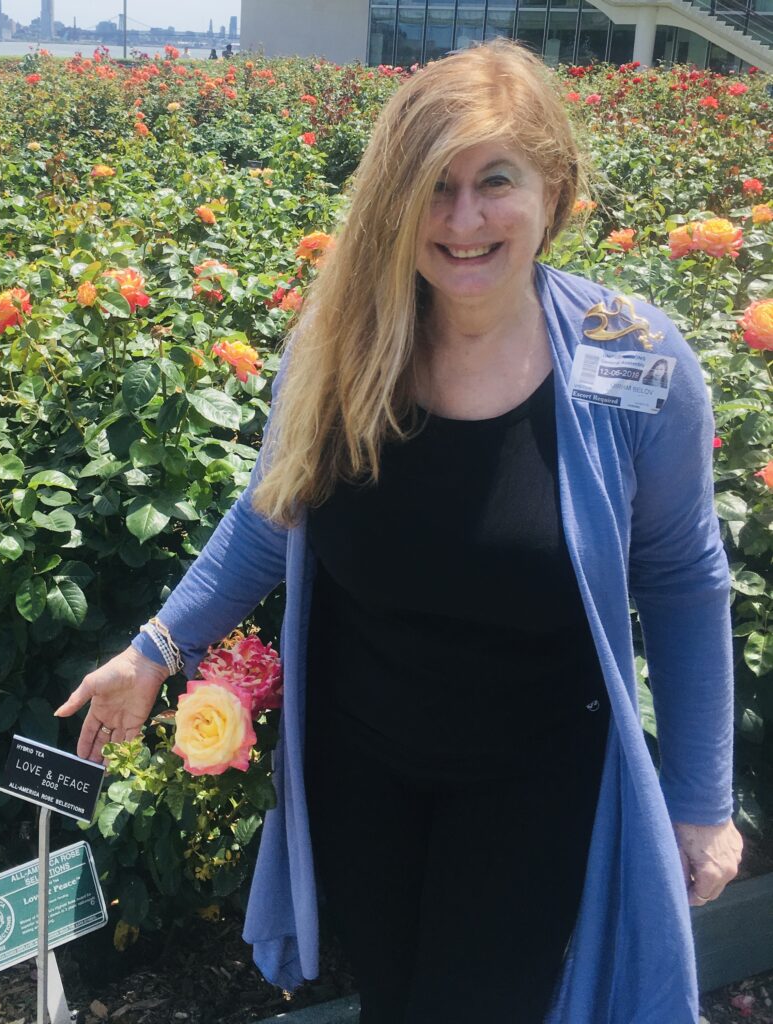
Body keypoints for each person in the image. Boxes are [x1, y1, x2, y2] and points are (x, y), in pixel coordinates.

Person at [55, 40, 743, 1023]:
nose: (463, 219)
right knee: (393, 996)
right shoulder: (341, 346)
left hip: (534, 782)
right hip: (363, 772)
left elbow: (683, 576)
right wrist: (155, 650)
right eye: (434, 186)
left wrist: (701, 798)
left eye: (493, 181)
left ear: (551, 185)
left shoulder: (628, 360)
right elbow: (269, 516)